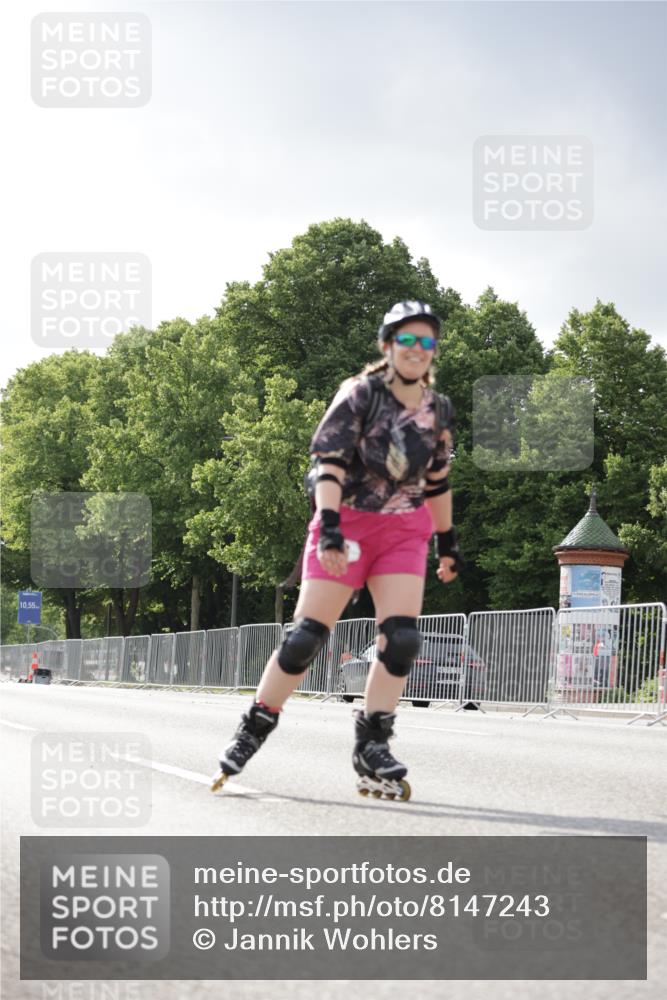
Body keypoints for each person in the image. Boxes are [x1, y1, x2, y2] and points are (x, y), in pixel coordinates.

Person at [212, 300, 464, 800]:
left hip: (403, 532)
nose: (416, 350)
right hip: (346, 523)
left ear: (433, 351)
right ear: (387, 345)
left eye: (426, 341)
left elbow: (437, 480)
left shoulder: (438, 410)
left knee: (403, 638)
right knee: (306, 637)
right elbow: (327, 464)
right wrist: (327, 528)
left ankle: (372, 742)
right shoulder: (359, 395)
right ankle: (254, 727)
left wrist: (448, 541)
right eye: (407, 340)